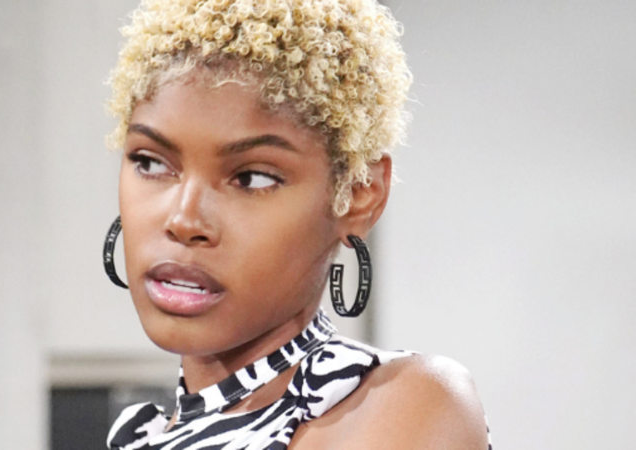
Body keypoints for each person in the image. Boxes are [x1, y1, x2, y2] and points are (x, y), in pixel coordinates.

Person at [102, 0, 492, 448]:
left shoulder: (401, 405)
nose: (184, 220)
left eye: (252, 178)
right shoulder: (139, 438)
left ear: (359, 195)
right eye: (151, 163)